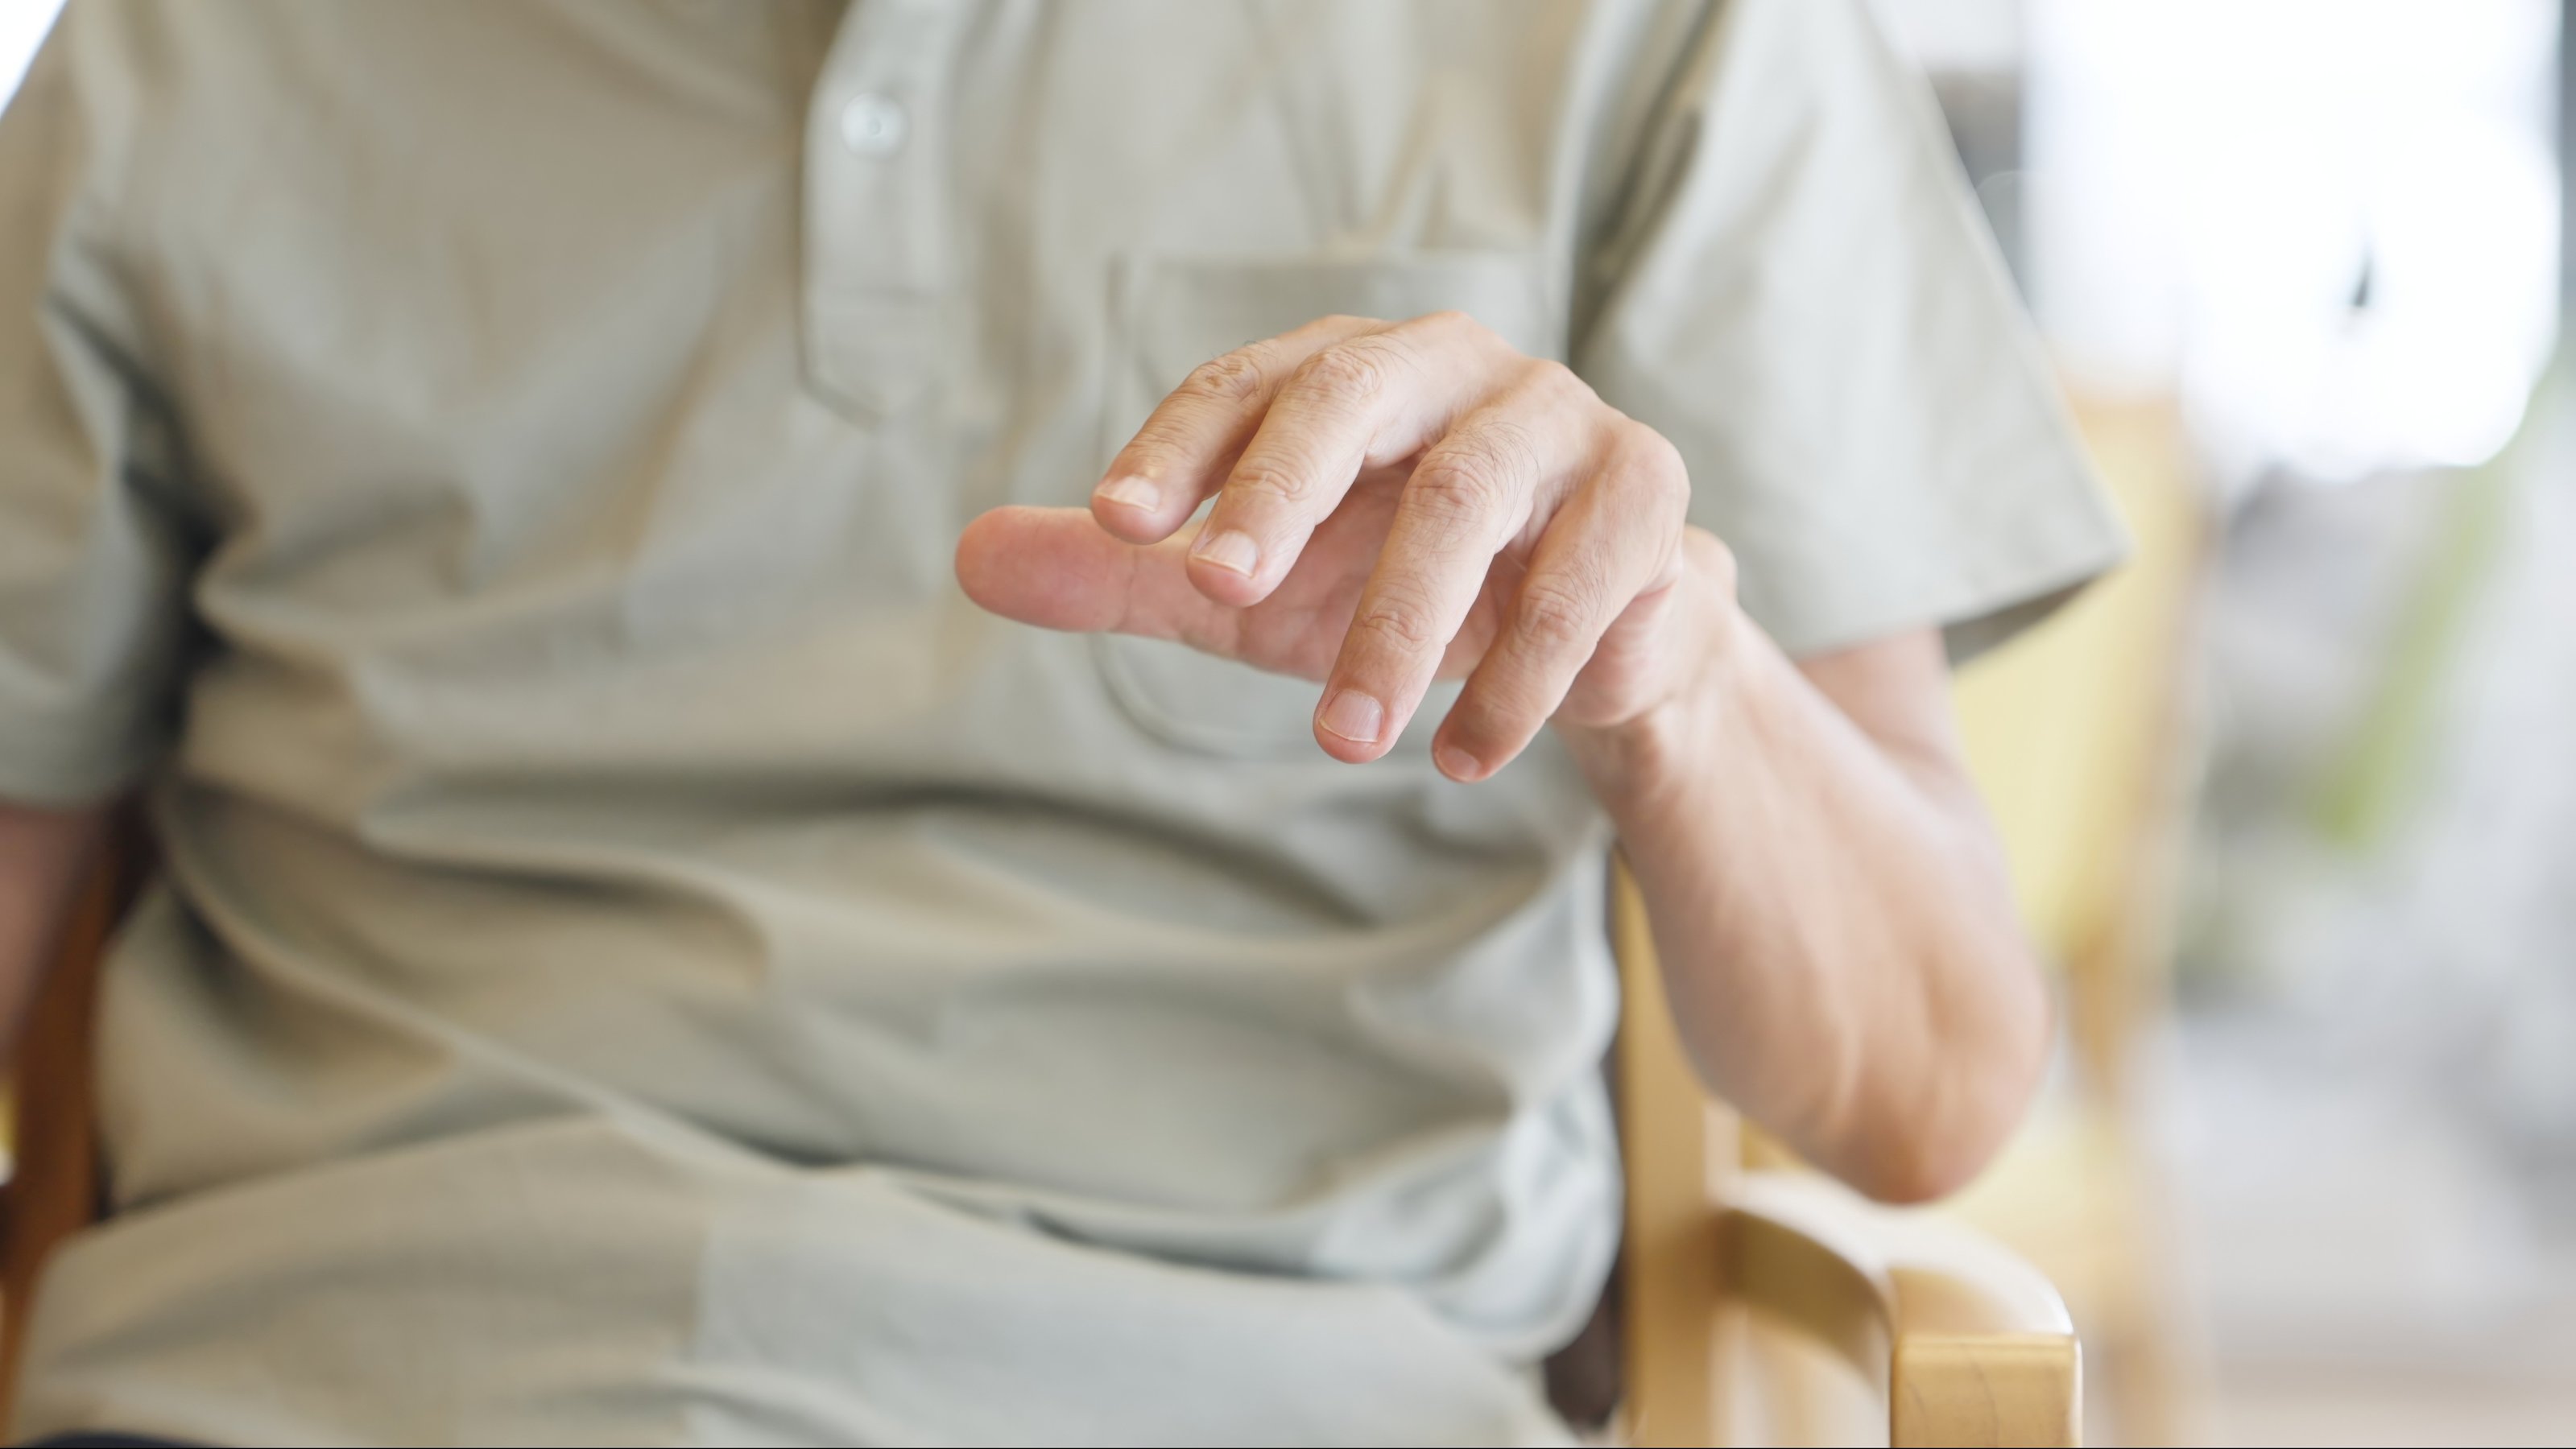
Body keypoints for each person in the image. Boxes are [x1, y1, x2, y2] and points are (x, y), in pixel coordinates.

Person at [0, 1, 2125, 1443]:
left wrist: (1678, 676)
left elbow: (1931, 1079)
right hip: (326, 1389)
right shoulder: (187, 57)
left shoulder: (1660, 41)